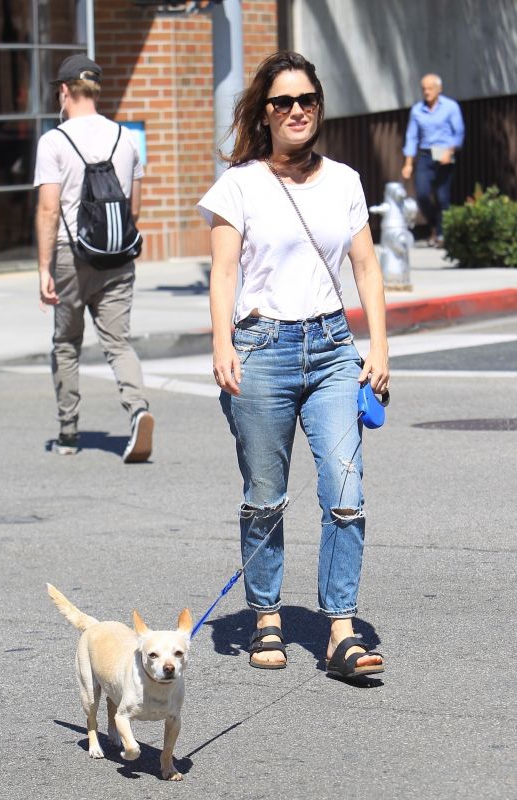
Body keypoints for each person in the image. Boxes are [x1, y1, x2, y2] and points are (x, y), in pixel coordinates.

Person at [198, 51, 389, 677]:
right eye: (283, 102)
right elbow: (224, 271)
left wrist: (379, 346)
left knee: (344, 488)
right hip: (261, 350)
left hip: (334, 349)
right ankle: (266, 616)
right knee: (265, 496)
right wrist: (222, 341)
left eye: (306, 99)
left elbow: (365, 267)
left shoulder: (344, 181)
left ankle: (340, 630)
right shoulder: (240, 184)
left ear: (319, 107)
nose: (297, 111)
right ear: (266, 112)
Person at [34, 54, 154, 462]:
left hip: (71, 255)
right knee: (117, 342)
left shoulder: (54, 141)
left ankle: (68, 432)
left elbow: (49, 210)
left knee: (66, 343)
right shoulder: (126, 138)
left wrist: (43, 269)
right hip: (117, 255)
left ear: (64, 91)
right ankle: (138, 409)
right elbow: (133, 209)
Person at [401, 73, 465, 247]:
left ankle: (442, 235)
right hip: (425, 154)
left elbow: (458, 132)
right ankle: (435, 225)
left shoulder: (450, 107)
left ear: (439, 89)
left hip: (445, 152)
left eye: (430, 88)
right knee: (422, 194)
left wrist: (449, 150)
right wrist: (408, 164)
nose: (427, 92)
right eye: (424, 89)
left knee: (442, 196)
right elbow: (412, 137)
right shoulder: (417, 110)